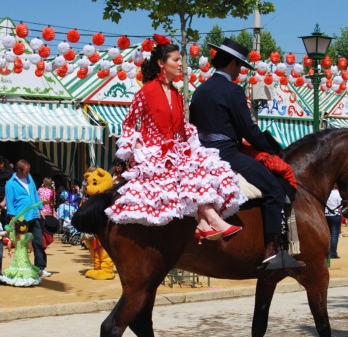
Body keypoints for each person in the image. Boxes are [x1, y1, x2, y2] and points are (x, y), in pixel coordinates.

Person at [105, 34, 246, 245]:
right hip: (154, 154)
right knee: (189, 171)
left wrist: (192, 146)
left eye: (181, 59)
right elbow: (129, 123)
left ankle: (204, 223)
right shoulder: (146, 92)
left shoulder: (178, 94)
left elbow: (181, 129)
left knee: (202, 170)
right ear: (162, 63)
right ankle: (210, 220)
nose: (181, 63)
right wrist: (138, 145)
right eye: (176, 59)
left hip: (176, 151)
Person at [189, 38, 301, 269]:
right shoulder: (233, 91)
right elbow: (247, 130)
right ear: (231, 64)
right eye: (239, 66)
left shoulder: (199, 90)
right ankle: (273, 251)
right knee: (274, 188)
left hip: (201, 154)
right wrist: (274, 149)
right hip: (227, 153)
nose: (239, 71)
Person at [5, 160, 50, 277]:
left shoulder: (29, 177)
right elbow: (9, 202)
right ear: (18, 170)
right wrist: (12, 218)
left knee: (39, 242)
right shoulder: (10, 184)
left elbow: (35, 193)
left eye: (29, 170)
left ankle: (40, 267)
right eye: (26, 171)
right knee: (21, 243)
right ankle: (22, 268)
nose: (28, 172)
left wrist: (40, 208)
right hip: (21, 218)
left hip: (34, 215)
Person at [0, 219, 41, 287]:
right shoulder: (28, 235)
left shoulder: (14, 235)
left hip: (17, 254)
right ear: (26, 228)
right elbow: (30, 246)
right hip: (24, 254)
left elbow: (9, 243)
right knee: (25, 264)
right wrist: (31, 250)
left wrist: (9, 251)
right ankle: (24, 279)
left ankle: (15, 278)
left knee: (16, 264)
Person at [0, 155, 13, 226]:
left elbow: (9, 188)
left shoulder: (8, 173)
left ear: (2, 164)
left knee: (4, 218)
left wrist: (4, 200)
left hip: (3, 199)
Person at [325, 185, 342, 259]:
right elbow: (340, 207)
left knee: (326, 234)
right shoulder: (338, 193)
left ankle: (326, 252)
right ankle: (332, 253)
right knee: (334, 235)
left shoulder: (326, 192)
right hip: (335, 215)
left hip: (325, 214)